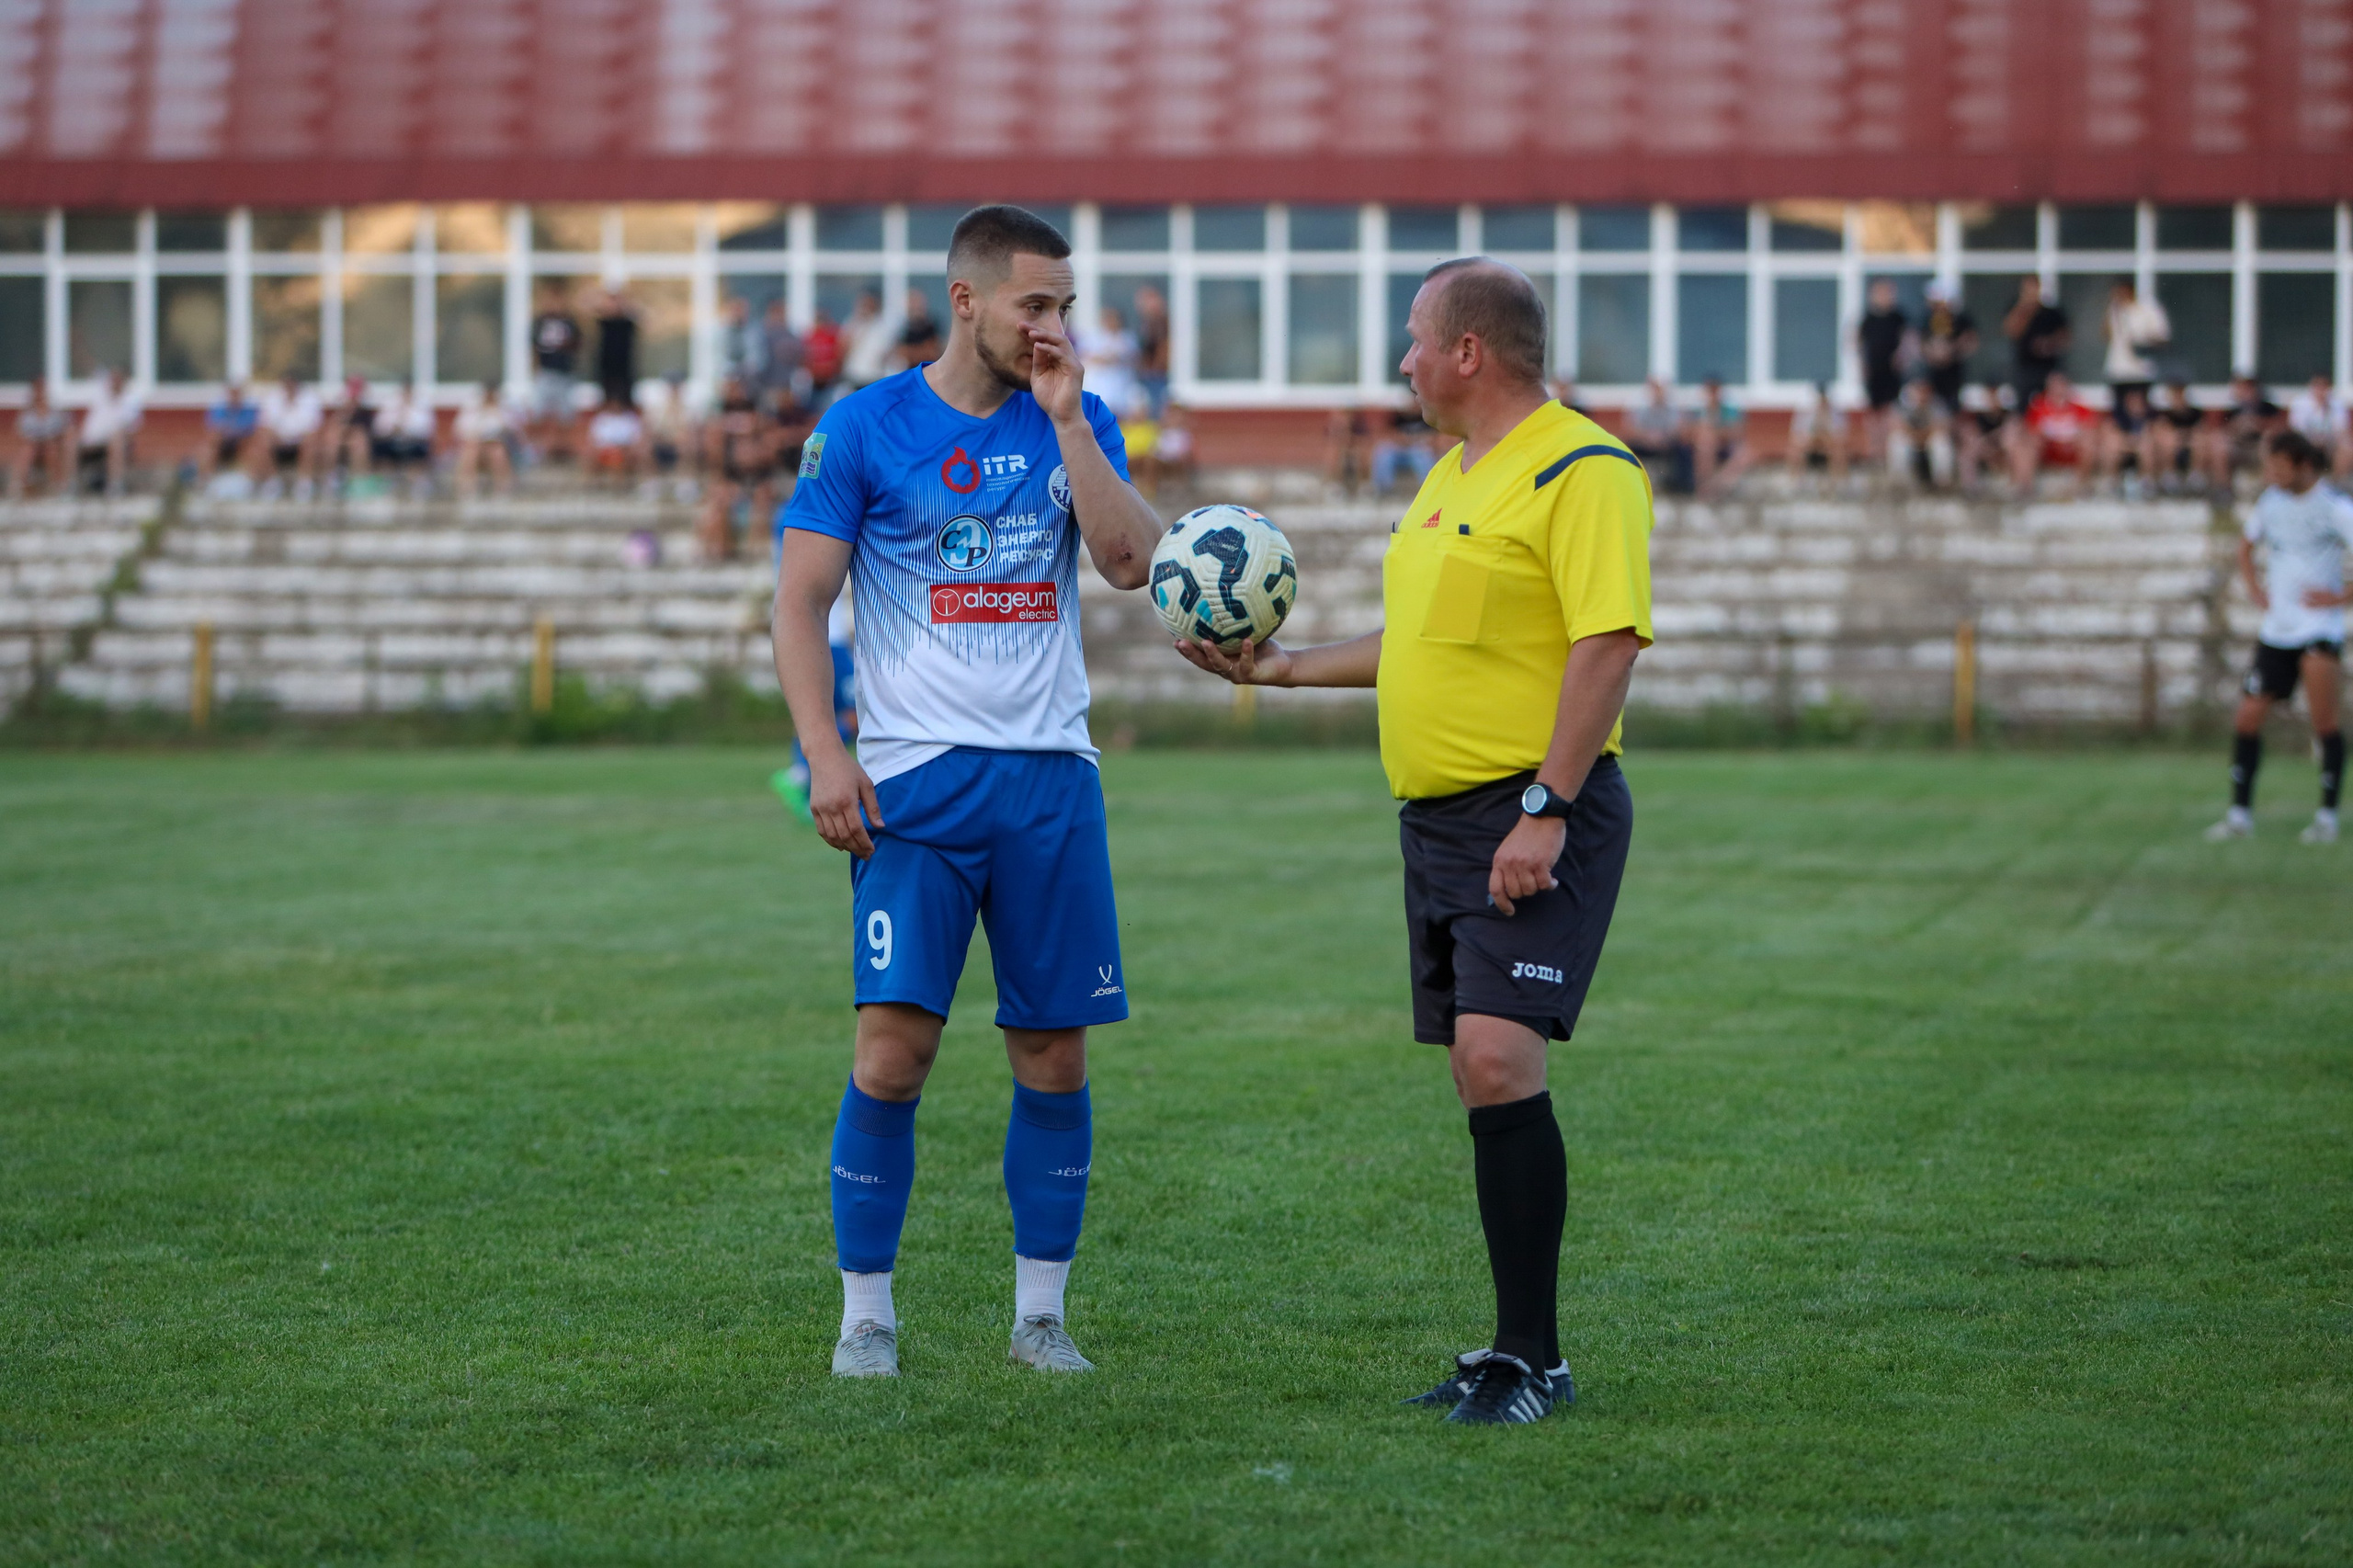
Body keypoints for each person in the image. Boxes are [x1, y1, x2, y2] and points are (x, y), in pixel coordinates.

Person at [1176, 257, 1649, 1426]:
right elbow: (1416, 642)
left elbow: (1607, 642)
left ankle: (1530, 1359)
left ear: (1469, 351)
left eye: (1412, 340)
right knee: (1473, 1069)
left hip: (1530, 811)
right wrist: (1283, 670)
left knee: (1498, 1055)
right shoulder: (1447, 478)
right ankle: (1510, 1348)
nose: (1402, 362)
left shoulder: (1587, 468)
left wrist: (1546, 806)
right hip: (1436, 821)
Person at [773, 204, 1163, 1381]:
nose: (1052, 325)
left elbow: (1135, 562)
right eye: (1033, 305)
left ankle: (1040, 1317)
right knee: (891, 1054)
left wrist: (1068, 428)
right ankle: (865, 1319)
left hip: (1050, 781)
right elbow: (797, 602)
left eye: (1062, 305)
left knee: (1054, 1056)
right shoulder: (865, 425)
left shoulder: (1078, 418)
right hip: (913, 790)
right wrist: (827, 753)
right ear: (969, 301)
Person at [2205, 431, 2352, 845]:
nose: (2270, 473)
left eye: (2277, 466)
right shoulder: (2271, 503)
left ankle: (2326, 817)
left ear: (2302, 465)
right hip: (2277, 631)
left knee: (2324, 722)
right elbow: (2246, 546)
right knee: (2248, 717)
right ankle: (2239, 815)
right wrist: (2255, 589)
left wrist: (2341, 596)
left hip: (2318, 629)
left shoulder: (2334, 507)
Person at [773, 586, 856, 824]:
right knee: (853, 716)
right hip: (830, 641)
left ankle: (802, 777)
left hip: (828, 639)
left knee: (828, 714)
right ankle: (799, 775)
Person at [698, 376, 773, 560]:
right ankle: (720, 550)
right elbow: (713, 457)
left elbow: (769, 452)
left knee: (763, 498)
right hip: (731, 477)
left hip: (758, 479)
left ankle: (754, 552)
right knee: (718, 501)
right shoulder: (717, 420)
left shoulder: (760, 418)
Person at [2011, 370, 2098, 498]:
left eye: (2061, 385)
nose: (2058, 390)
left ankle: (2082, 485)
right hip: (2047, 450)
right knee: (2026, 445)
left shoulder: (2079, 407)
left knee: (2088, 442)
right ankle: (2025, 487)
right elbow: (2031, 432)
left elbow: (2090, 428)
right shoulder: (2038, 406)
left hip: (2072, 450)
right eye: (2055, 386)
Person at [1855, 278, 1913, 464]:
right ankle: (1875, 452)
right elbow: (1857, 343)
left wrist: (1903, 355)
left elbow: (1909, 339)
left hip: (1892, 373)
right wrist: (1861, 365)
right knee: (1873, 415)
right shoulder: (1868, 318)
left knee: (1892, 413)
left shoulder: (1898, 317)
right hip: (1874, 372)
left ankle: (1890, 454)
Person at [2200, 374, 2284, 495]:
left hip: (2258, 448)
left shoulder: (2267, 408)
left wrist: (2258, 424)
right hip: (2237, 447)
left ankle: (2269, 489)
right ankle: (2223, 489)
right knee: (2219, 444)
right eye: (2241, 388)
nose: (2246, 392)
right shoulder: (2232, 409)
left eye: (2248, 388)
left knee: (2270, 441)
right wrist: (2236, 426)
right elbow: (2220, 430)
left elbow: (2278, 427)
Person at [529, 289, 584, 458]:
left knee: (565, 414)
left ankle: (561, 448)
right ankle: (537, 448)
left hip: (565, 374)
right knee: (539, 411)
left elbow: (577, 345)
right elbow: (534, 347)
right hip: (546, 372)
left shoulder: (570, 323)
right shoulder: (540, 322)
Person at [2102, 277, 2171, 408]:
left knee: (2141, 407)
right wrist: (2111, 309)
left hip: (2141, 369)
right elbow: (2105, 335)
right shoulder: (2115, 310)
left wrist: (2143, 341)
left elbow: (2163, 337)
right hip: (2119, 370)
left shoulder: (2147, 309)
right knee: (2120, 408)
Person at [253, 372, 323, 497]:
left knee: (311, 443)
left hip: (301, 440)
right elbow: (264, 426)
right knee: (261, 442)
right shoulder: (272, 398)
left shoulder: (309, 399)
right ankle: (272, 483)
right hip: (278, 440)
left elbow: (314, 428)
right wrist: (277, 437)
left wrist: (298, 438)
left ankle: (304, 484)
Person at [76, 368, 143, 496]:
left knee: (116, 439)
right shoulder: (100, 397)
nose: (115, 383)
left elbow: (130, 430)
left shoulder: (131, 402)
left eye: (118, 380)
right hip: (91, 442)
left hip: (114, 443)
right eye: (113, 379)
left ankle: (115, 485)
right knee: (70, 438)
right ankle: (69, 486)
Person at [2004, 275, 2070, 403]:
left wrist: (2049, 344)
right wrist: (2024, 308)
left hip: (2048, 367)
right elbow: (2010, 331)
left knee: (2048, 402)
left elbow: (2065, 337)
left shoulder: (2051, 312)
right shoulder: (2017, 310)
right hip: (2024, 367)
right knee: (2023, 404)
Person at [1916, 283, 1978, 413]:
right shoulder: (1926, 319)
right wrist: (1933, 352)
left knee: (1953, 406)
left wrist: (1952, 350)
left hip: (1954, 372)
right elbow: (1919, 342)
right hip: (1932, 371)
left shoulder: (1961, 319)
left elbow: (1971, 341)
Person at [1688, 375, 1754, 496]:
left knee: (1745, 453)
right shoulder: (1700, 410)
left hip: (1727, 446)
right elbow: (1692, 432)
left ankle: (1716, 485)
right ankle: (1704, 486)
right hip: (1706, 448)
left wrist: (1717, 433)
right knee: (1706, 445)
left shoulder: (1730, 410)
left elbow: (1737, 431)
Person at [451, 380, 517, 497]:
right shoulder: (472, 409)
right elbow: (461, 431)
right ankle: (467, 491)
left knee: (498, 452)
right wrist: (481, 415)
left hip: (499, 447)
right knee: (471, 451)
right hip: (476, 446)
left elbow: (512, 430)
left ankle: (503, 491)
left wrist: (496, 413)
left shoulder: (504, 408)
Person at [1623, 375, 1688, 493]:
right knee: (1627, 449)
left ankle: (1678, 486)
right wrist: (1648, 437)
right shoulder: (1641, 408)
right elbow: (1631, 429)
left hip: (1666, 445)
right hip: (1644, 444)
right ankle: (1629, 482)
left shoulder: (1672, 409)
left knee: (1683, 450)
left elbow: (1678, 429)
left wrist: (1662, 438)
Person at [10, 377, 72, 497]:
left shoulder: (55, 413)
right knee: (27, 450)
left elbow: (62, 432)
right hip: (33, 449)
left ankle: (59, 486)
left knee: (51, 450)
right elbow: (20, 435)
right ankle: (18, 486)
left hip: (51, 447)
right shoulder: (27, 414)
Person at [2287, 373, 2352, 483]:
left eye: (2324, 386)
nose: (2321, 390)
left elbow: (2341, 430)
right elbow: (2297, 429)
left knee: (2347, 448)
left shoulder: (2337, 405)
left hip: (2330, 443)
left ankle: (2337, 483)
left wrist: (2325, 409)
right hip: (2306, 442)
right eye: (2318, 386)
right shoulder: (2300, 404)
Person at [1080, 305, 1139, 420]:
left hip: (1121, 387)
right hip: (1098, 385)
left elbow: (1130, 358)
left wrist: (1108, 358)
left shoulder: (1127, 338)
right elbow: (1086, 356)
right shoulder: (1094, 337)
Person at [1788, 381, 1849, 490]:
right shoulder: (1806, 411)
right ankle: (1795, 482)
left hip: (1829, 444)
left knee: (1839, 450)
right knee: (1795, 449)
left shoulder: (1836, 412)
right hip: (1810, 443)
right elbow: (1797, 434)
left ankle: (1840, 483)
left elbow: (1841, 435)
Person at [197, 381, 259, 487]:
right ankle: (206, 482)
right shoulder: (218, 408)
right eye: (232, 393)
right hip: (222, 443)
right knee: (205, 449)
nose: (234, 396)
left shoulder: (249, 409)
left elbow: (251, 429)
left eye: (237, 393)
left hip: (242, 443)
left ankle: (252, 483)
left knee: (254, 449)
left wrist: (231, 430)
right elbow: (212, 429)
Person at [1372, 399, 1438, 495]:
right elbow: (1390, 434)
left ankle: (1428, 487)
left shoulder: (1426, 418)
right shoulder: (1398, 417)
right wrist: (1403, 440)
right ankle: (1384, 489)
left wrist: (1412, 440)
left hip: (1417, 449)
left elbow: (1432, 436)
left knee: (1423, 454)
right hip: (1398, 449)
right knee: (1383, 453)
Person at [2151, 380, 2206, 494]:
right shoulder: (2164, 415)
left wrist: (2183, 437)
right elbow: (2160, 431)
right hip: (2171, 449)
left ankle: (2196, 477)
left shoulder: (2195, 414)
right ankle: (2169, 477)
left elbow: (2200, 430)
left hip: (2190, 448)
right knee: (2168, 440)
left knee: (2199, 440)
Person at [585, 393, 646, 489]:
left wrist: (623, 449)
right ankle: (595, 485)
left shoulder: (630, 418)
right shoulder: (601, 418)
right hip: (605, 450)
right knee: (608, 456)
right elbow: (595, 440)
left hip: (625, 450)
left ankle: (620, 486)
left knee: (620, 457)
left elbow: (636, 439)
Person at [841, 289, 896, 390]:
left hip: (874, 375)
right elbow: (844, 347)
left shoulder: (882, 326)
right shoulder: (852, 323)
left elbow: (887, 351)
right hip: (854, 375)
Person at [594, 290, 640, 408]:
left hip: (624, 369)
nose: (614, 306)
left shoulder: (627, 323)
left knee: (625, 403)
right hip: (606, 369)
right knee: (606, 402)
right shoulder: (602, 323)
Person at [1131, 283, 1170, 416]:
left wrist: (1154, 367)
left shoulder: (1162, 322)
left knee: (1156, 410)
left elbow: (1164, 346)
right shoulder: (1144, 323)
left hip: (1157, 375)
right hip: (1146, 375)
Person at [894, 286, 943, 369]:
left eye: (916, 302)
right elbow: (899, 353)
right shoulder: (905, 327)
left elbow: (931, 353)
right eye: (912, 302)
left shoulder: (932, 325)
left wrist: (911, 352)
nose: (914, 306)